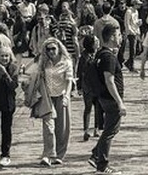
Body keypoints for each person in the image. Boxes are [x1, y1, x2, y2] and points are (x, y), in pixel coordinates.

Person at [88, 23, 126, 175]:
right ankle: (102, 164)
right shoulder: (108, 57)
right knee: (110, 131)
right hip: (110, 98)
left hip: (103, 97)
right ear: (111, 37)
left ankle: (96, 154)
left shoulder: (102, 53)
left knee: (111, 129)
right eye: (118, 35)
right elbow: (109, 80)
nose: (120, 37)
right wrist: (119, 102)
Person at [32, 37, 73, 167]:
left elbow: (69, 81)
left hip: (61, 96)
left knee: (62, 127)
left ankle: (59, 154)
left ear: (59, 48)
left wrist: (66, 96)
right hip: (47, 98)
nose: (51, 52)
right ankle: (48, 154)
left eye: (53, 49)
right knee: (49, 127)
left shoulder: (66, 62)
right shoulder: (44, 63)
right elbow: (36, 76)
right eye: (48, 49)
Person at [77, 34, 103, 141]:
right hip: (87, 86)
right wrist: (78, 86)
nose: (98, 42)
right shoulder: (84, 56)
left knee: (98, 108)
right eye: (96, 41)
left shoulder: (99, 54)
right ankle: (86, 130)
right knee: (88, 108)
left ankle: (96, 129)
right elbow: (79, 72)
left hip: (97, 85)